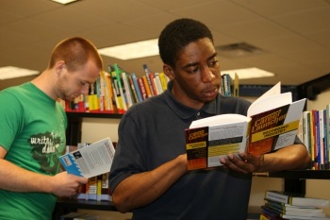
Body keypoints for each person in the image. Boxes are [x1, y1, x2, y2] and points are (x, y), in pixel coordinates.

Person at [109, 18, 311, 220]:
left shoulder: (241, 111)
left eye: (213, 62)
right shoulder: (140, 118)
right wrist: (184, 162)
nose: (210, 76)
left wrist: (262, 163)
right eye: (193, 69)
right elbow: (122, 199)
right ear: (170, 72)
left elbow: (300, 154)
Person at [0, 37, 104, 220]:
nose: (86, 92)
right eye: (82, 83)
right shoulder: (12, 101)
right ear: (60, 67)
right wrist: (51, 184)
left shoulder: (60, 112)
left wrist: (66, 179)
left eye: (90, 85)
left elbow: (42, 167)